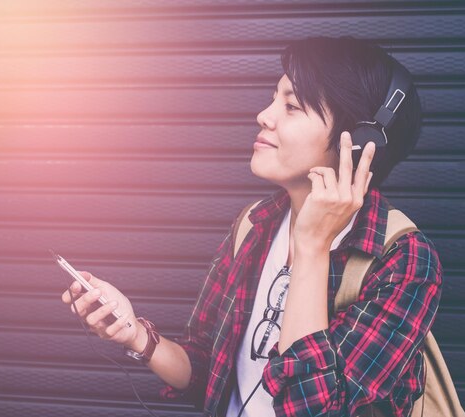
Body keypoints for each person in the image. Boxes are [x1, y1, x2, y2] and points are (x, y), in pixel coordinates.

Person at [61, 36, 443, 417]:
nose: (265, 115)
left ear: (359, 142)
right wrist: (135, 335)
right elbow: (209, 369)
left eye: (291, 106)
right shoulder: (254, 225)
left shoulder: (403, 260)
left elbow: (312, 409)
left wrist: (311, 248)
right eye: (275, 98)